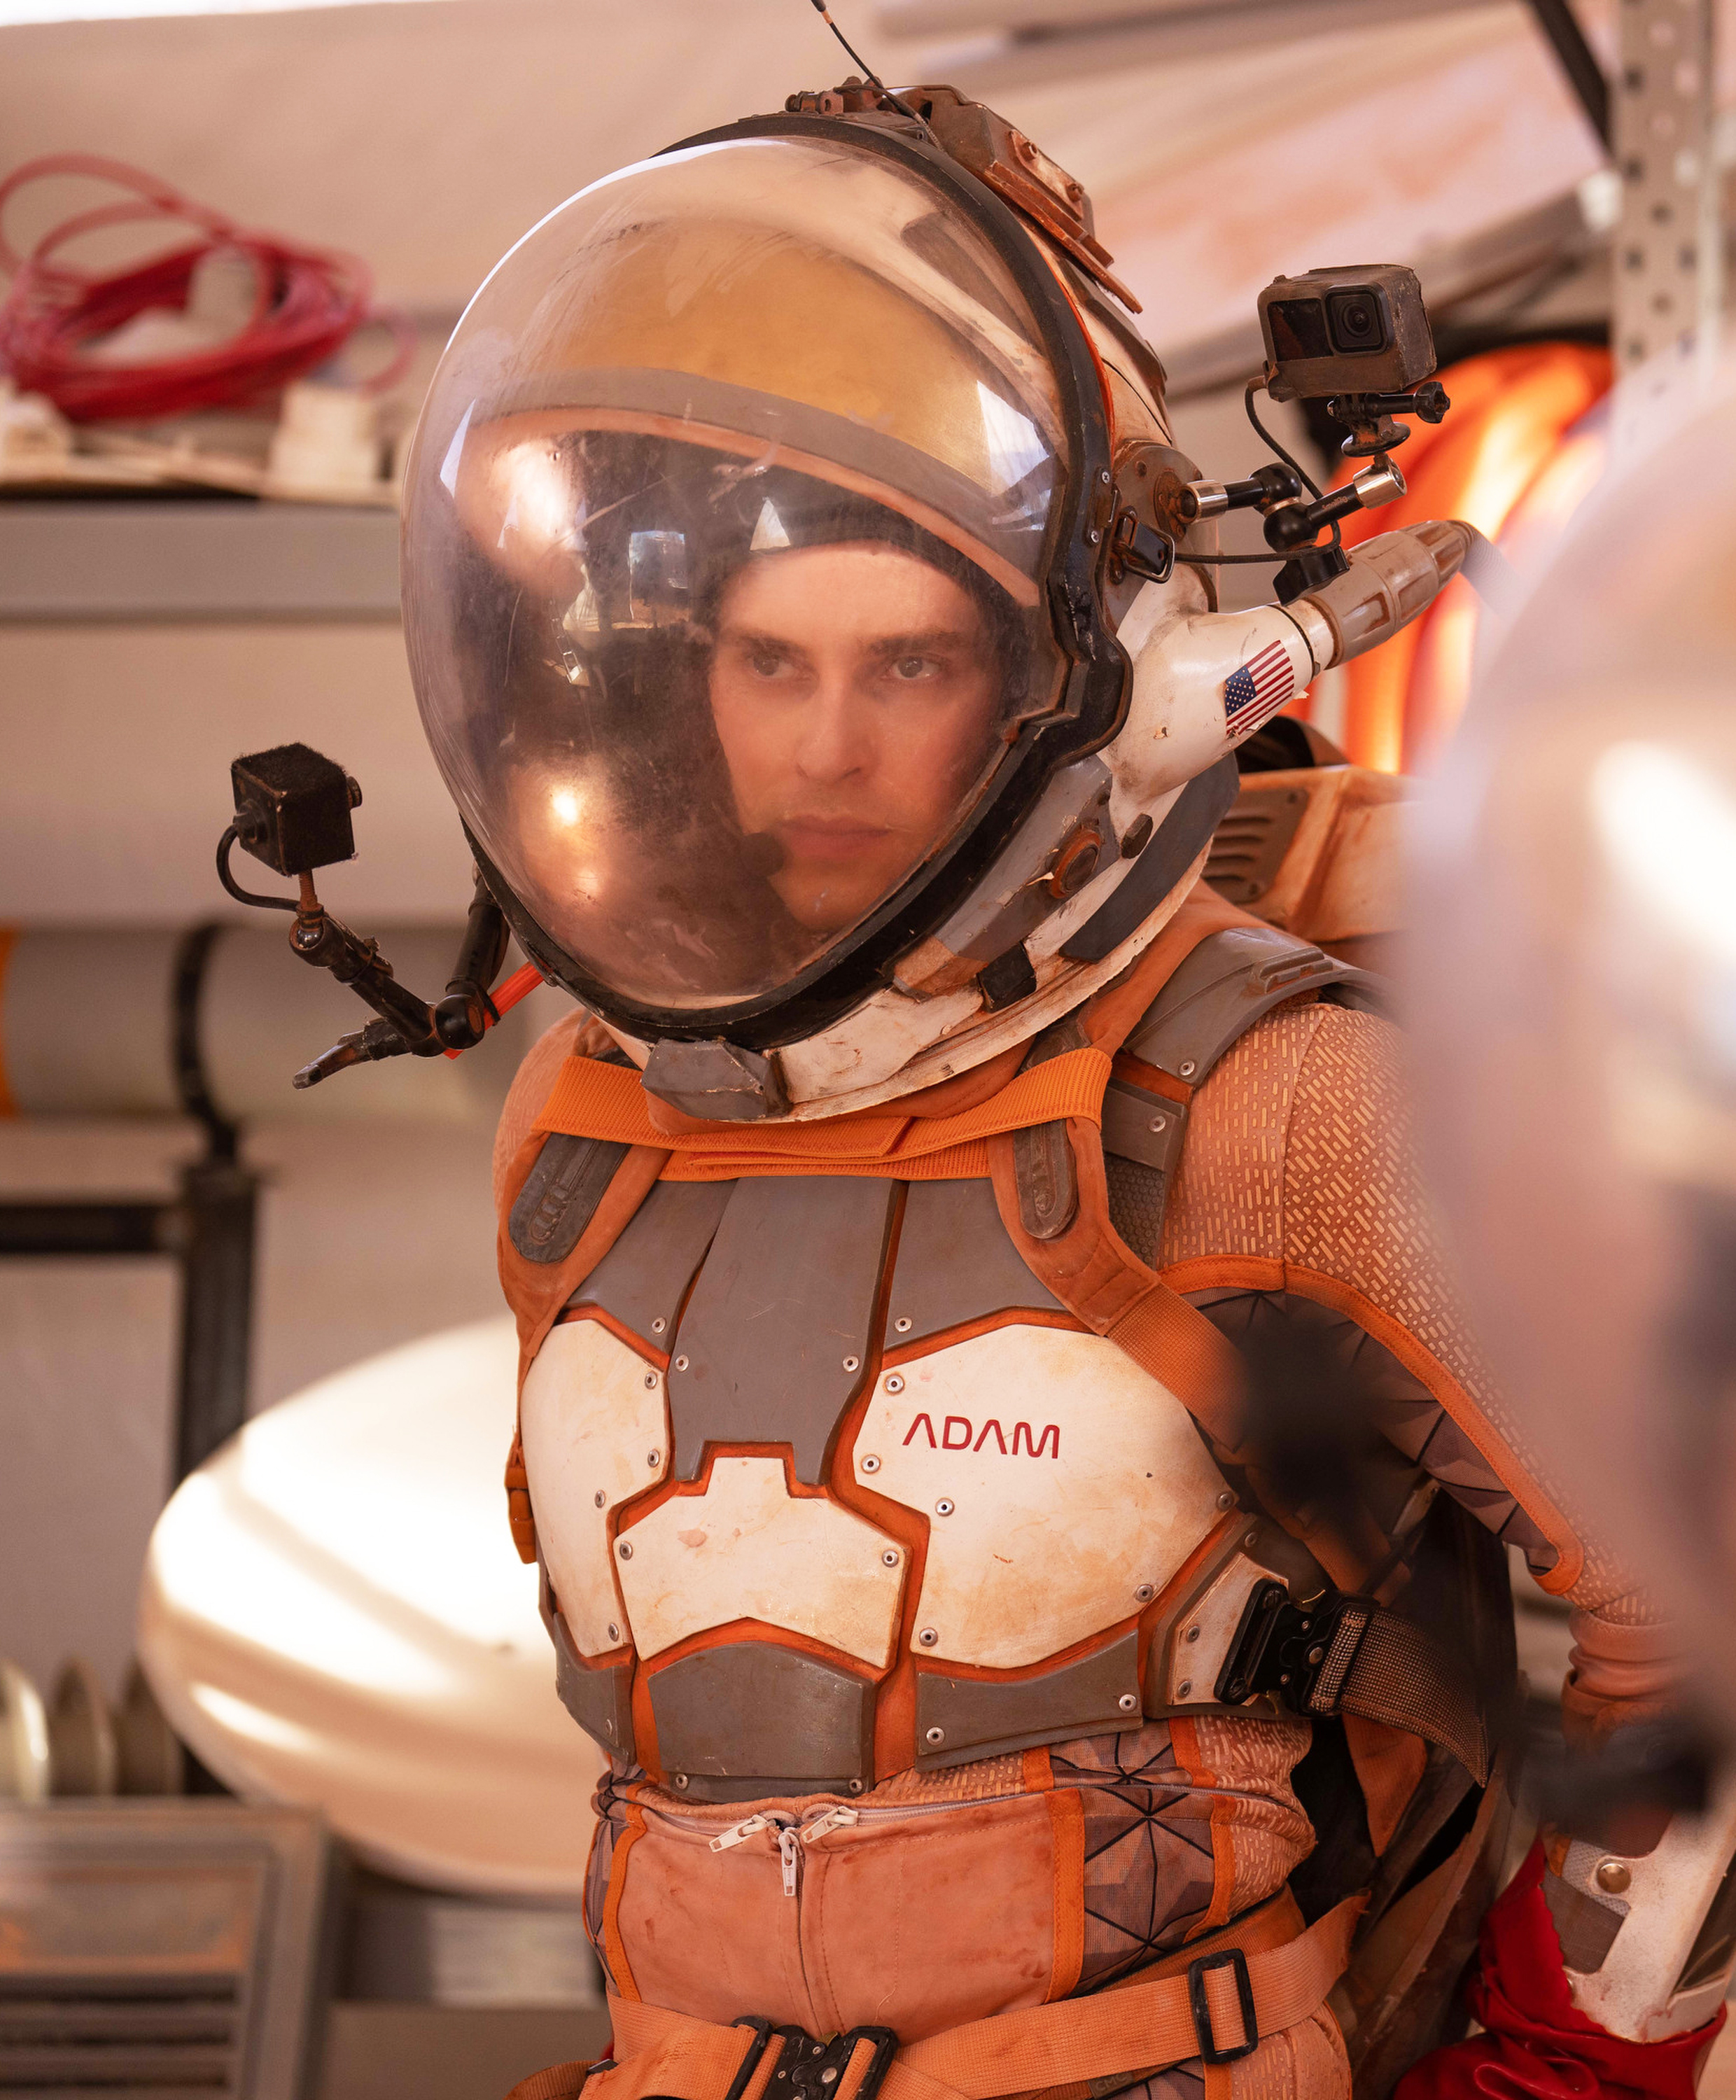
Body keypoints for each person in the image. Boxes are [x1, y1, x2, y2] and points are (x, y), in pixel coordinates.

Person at [394, 78, 1731, 2100]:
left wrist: (1564, 2057)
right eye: (774, 664)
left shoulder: (1278, 1109)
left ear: (1061, 673)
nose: (831, 744)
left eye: (910, 664)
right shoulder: (579, 1123)